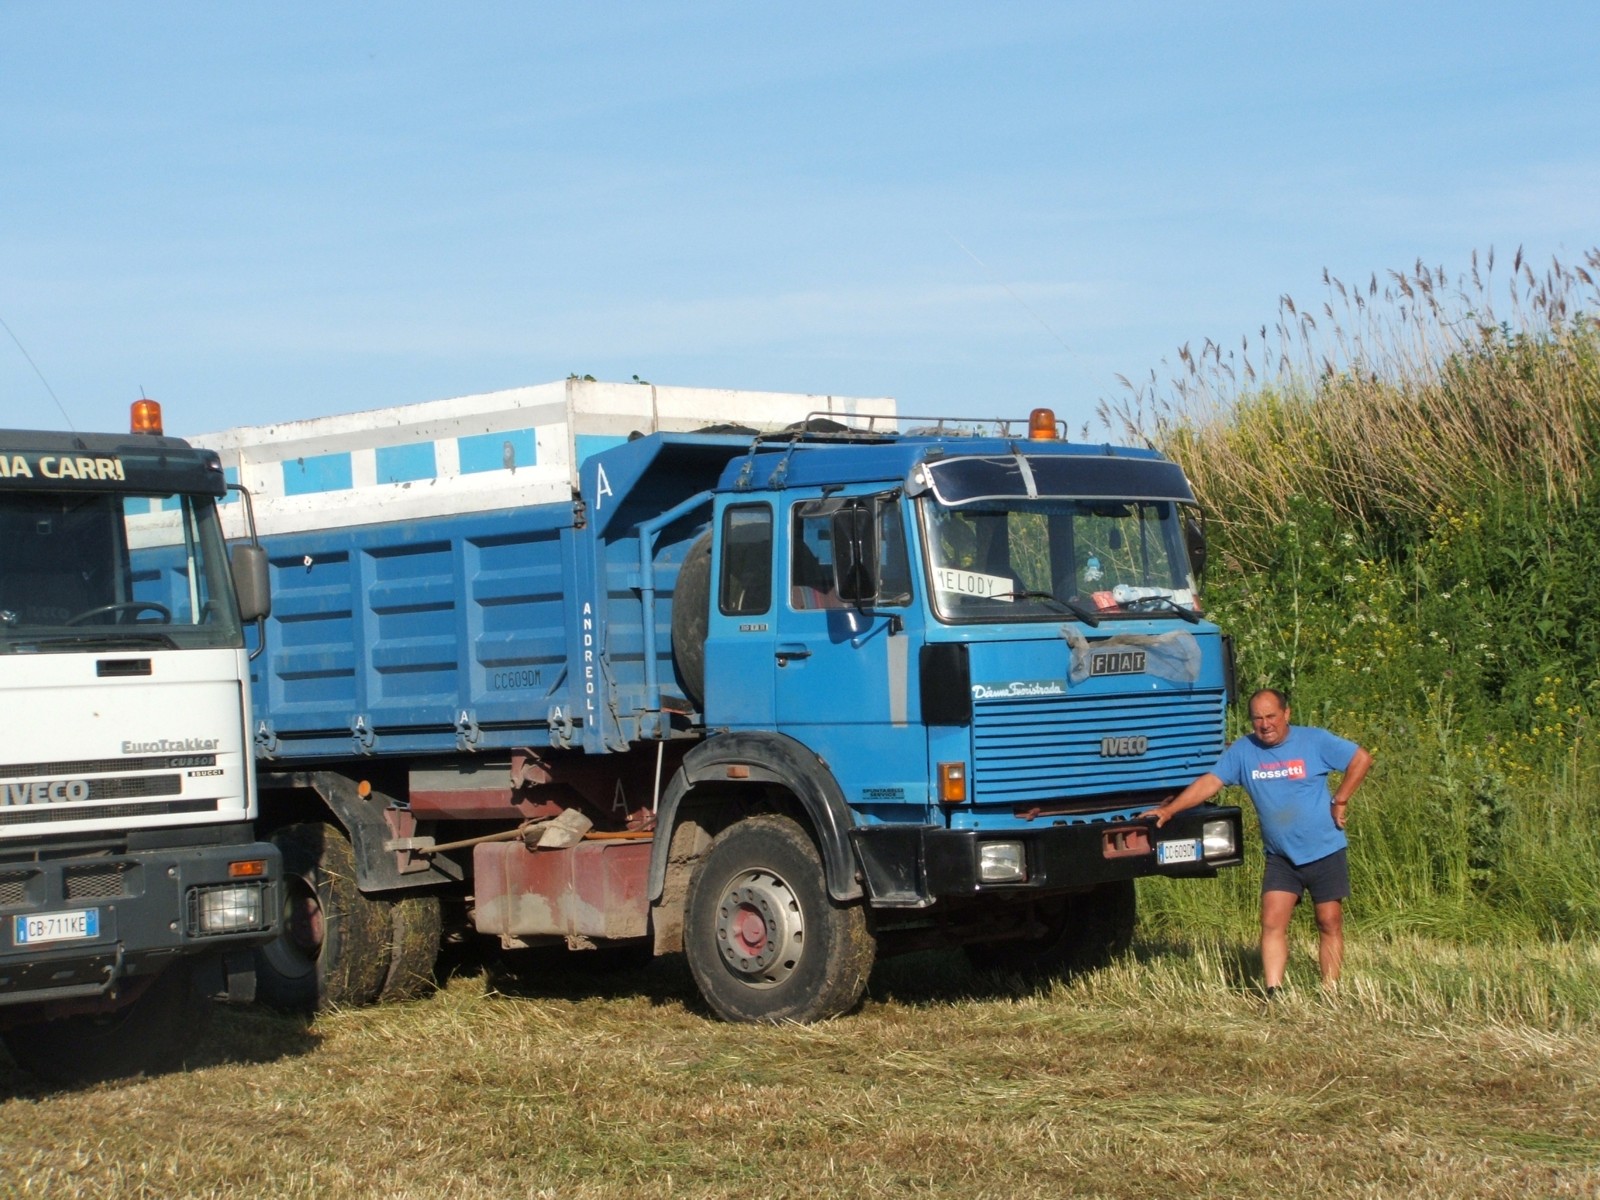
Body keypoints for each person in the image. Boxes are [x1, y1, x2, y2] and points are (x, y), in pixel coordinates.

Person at [1142, 688, 1372, 995]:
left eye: (1271, 716)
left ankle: (1330, 990)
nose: (1265, 724)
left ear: (1286, 714)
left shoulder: (1314, 741)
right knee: (1272, 922)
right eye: (1258, 718)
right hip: (1280, 856)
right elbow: (1211, 782)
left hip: (1324, 850)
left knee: (1328, 921)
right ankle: (1273, 992)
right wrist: (1170, 810)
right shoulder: (1243, 751)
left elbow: (1361, 758)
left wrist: (1340, 800)